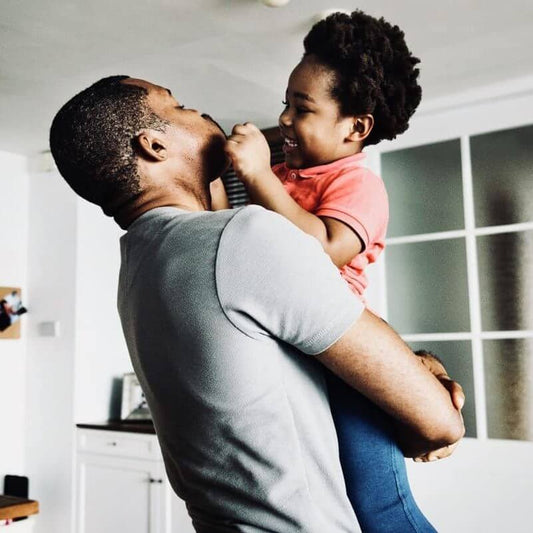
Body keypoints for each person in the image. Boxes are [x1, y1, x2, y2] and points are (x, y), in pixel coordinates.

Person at [49, 75, 464, 533]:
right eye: (180, 105)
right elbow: (440, 422)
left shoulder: (140, 270)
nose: (200, 112)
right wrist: (423, 381)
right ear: (153, 145)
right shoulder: (238, 239)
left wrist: (412, 363)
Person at [224, 10, 445, 532]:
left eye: (301, 108)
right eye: (285, 103)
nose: (283, 119)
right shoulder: (281, 177)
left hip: (343, 355)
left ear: (356, 127)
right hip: (291, 348)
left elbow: (324, 250)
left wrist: (257, 174)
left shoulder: (355, 183)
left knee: (377, 503)